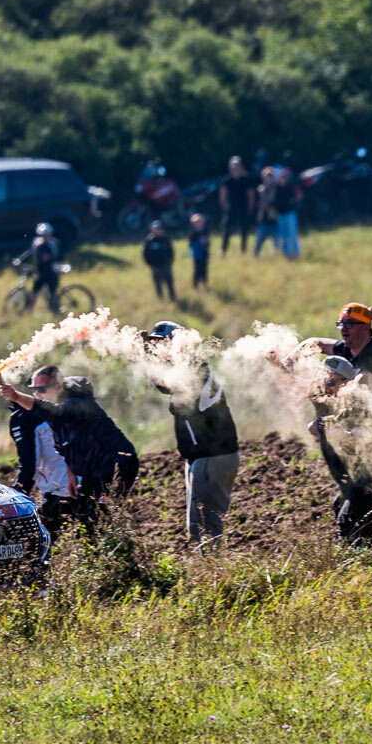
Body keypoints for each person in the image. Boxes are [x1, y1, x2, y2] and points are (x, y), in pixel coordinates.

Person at [142, 322, 240, 546]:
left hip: (211, 457)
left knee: (205, 526)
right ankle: (210, 571)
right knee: (199, 525)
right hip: (205, 457)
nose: (158, 350)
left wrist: (145, 358)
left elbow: (167, 384)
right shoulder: (189, 366)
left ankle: (212, 574)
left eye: (161, 343)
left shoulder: (193, 366)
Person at [309, 356, 372, 559]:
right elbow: (318, 426)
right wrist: (326, 426)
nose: (325, 387)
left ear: (345, 383)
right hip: (359, 475)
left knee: (348, 520)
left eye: (330, 382)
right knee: (359, 516)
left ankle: (352, 564)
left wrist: (344, 436)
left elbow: (364, 434)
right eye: (323, 381)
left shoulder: (358, 402)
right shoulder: (340, 404)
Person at [0, 365, 94, 542]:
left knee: (93, 547)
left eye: (41, 389)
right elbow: (29, 464)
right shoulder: (27, 417)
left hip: (80, 491)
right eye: (34, 389)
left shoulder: (64, 411)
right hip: (56, 494)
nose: (37, 394)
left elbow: (29, 468)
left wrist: (16, 500)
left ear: (59, 387)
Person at [289, 303, 372, 384]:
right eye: (341, 324)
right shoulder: (347, 348)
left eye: (350, 323)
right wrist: (287, 363)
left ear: (366, 326)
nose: (344, 329)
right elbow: (314, 343)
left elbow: (361, 383)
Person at [13, 223, 63, 315]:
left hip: (51, 273)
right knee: (34, 294)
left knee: (52, 294)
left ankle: (57, 312)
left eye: (46, 235)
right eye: (42, 235)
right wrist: (20, 259)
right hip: (41, 273)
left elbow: (56, 257)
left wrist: (49, 257)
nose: (44, 237)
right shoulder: (37, 243)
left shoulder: (52, 245)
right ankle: (28, 313)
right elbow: (30, 252)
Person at [217, 157, 255, 255]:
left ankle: (243, 250)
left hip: (243, 208)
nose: (235, 168)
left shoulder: (246, 179)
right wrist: (225, 207)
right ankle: (223, 250)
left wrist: (250, 207)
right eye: (233, 166)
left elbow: (250, 195)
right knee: (226, 229)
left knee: (244, 230)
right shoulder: (227, 180)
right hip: (231, 209)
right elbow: (222, 196)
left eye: (237, 166)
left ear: (241, 167)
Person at [142, 221, 177, 301]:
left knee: (169, 283)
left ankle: (173, 298)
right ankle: (160, 298)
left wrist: (170, 261)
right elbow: (145, 254)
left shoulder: (165, 239)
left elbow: (171, 251)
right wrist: (150, 264)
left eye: (159, 229)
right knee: (157, 283)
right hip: (155, 267)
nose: (157, 231)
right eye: (155, 229)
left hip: (166, 265)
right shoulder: (149, 241)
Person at [273, 164, 302, 259]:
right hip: (280, 214)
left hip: (290, 214)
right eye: (281, 177)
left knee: (292, 234)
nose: (282, 179)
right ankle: (287, 254)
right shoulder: (276, 187)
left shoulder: (291, 186)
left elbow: (296, 198)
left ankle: (296, 252)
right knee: (283, 235)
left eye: (284, 177)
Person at [252, 167, 280, 256]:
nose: (268, 180)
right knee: (259, 241)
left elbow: (278, 202)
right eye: (266, 178)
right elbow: (255, 202)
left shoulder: (277, 189)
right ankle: (255, 256)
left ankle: (275, 257)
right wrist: (260, 205)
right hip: (262, 220)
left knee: (276, 241)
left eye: (270, 178)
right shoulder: (259, 189)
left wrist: (269, 205)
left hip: (273, 220)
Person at [187, 213, 211, 291]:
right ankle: (196, 285)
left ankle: (204, 283)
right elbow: (190, 244)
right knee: (197, 270)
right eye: (197, 222)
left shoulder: (205, 231)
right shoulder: (192, 233)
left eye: (201, 222)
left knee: (205, 270)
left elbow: (208, 243)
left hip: (204, 253)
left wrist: (206, 243)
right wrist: (199, 242)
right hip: (197, 255)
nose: (199, 224)